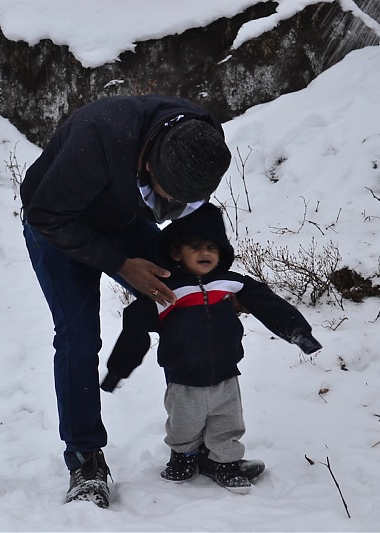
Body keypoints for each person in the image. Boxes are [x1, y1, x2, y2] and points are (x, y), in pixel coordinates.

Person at [21, 95, 232, 507]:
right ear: (150, 162)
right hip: (58, 224)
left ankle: (196, 442)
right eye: (168, 198)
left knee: (187, 303)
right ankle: (85, 461)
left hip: (121, 213)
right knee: (78, 337)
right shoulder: (98, 138)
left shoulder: (202, 138)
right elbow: (47, 214)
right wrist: (120, 264)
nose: (170, 212)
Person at [100, 203, 322, 493]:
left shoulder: (231, 284)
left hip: (226, 374)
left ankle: (225, 463)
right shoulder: (166, 292)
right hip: (183, 378)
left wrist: (299, 334)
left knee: (228, 423)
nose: (205, 253)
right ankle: (183, 457)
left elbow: (270, 304)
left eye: (211, 247)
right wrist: (118, 370)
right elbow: (135, 328)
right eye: (195, 247)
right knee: (183, 424)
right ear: (177, 252)